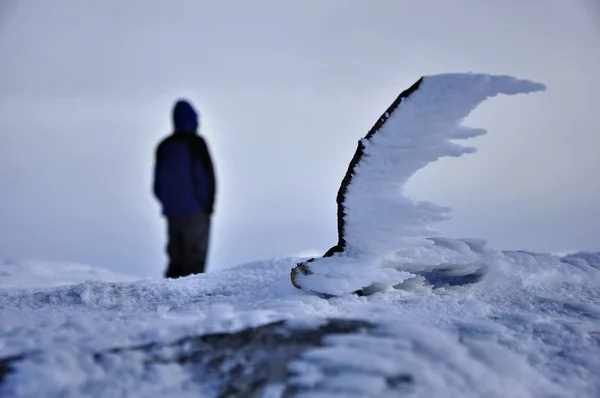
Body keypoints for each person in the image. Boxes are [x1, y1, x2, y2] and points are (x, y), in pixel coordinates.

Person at [153, 99, 216, 278]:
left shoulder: (163, 146)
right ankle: (191, 303)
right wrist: (207, 206)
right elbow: (206, 178)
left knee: (176, 258)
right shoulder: (196, 143)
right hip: (196, 212)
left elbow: (157, 184)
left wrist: (168, 204)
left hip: (173, 213)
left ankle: (168, 301)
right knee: (194, 261)